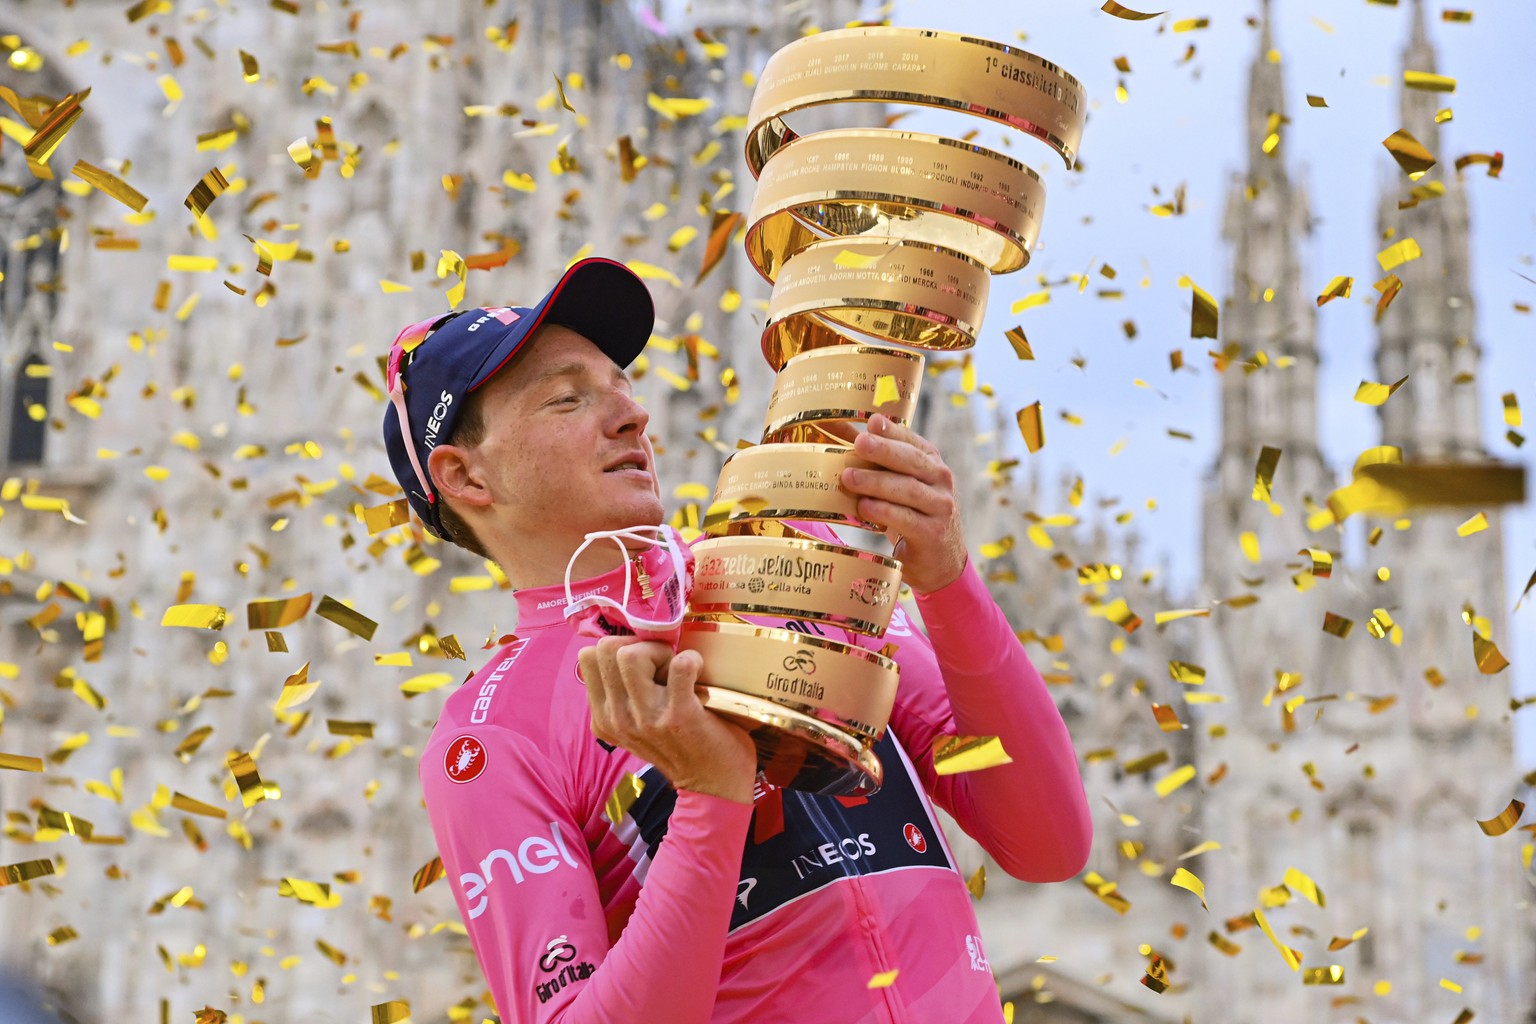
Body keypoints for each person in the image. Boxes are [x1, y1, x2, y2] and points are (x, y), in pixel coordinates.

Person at [382, 257, 1093, 1024]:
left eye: (623, 385)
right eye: (567, 399)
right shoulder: (491, 737)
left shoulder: (793, 563)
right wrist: (710, 793)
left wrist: (947, 579)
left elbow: (1046, 841)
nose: (632, 417)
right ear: (466, 477)